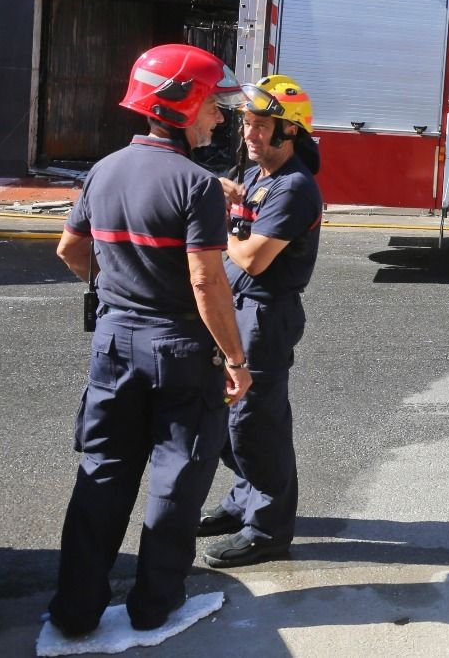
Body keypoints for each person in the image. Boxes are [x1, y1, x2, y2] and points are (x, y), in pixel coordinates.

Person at [48, 45, 251, 636]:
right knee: (175, 479)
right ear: (183, 104)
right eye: (213, 104)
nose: (219, 116)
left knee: (103, 473)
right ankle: (152, 605)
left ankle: (74, 611)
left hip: (113, 344)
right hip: (180, 352)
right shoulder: (198, 187)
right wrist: (236, 359)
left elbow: (70, 249)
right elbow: (206, 280)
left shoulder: (103, 170)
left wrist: (116, 287)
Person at [198, 75, 323, 569]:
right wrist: (227, 198)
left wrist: (216, 214)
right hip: (236, 311)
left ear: (289, 133)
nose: (248, 133)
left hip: (264, 316)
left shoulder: (294, 189)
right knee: (229, 419)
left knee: (255, 424)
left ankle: (268, 528)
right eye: (247, 123)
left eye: (260, 125)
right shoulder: (255, 176)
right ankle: (242, 500)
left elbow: (252, 259)